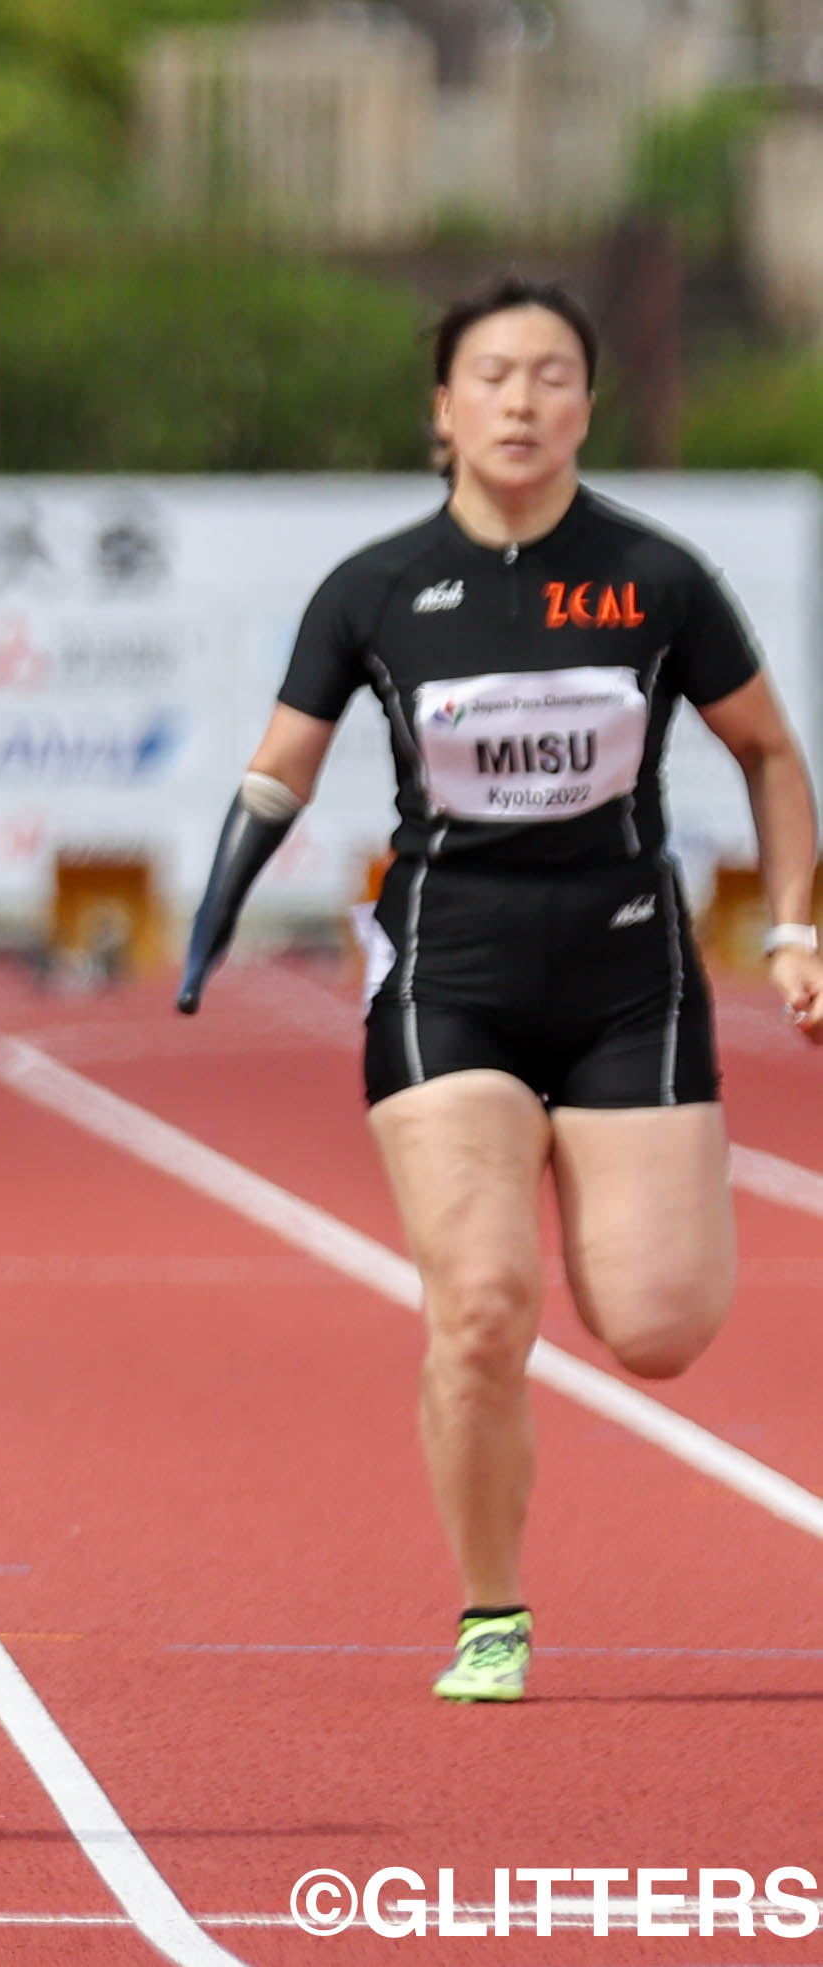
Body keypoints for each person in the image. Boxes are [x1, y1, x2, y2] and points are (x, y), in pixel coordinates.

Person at [178, 275, 822, 1704]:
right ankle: (490, 1610)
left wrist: (792, 928)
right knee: (477, 1302)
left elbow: (770, 751)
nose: (519, 400)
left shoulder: (655, 579)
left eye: (548, 375)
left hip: (626, 973)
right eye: (490, 375)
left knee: (657, 1327)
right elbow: (276, 765)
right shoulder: (374, 588)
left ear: (586, 405)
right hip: (447, 968)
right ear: (441, 413)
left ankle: (605, 1196)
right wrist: (217, 899)